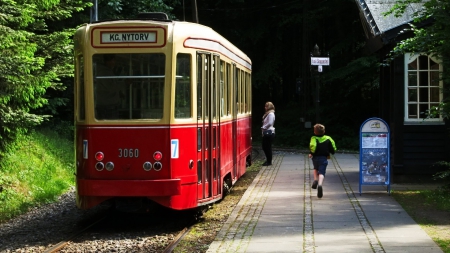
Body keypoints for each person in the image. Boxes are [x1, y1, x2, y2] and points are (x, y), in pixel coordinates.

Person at [308, 123, 337, 198]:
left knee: (315, 168)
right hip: (324, 157)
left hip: (315, 157)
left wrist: (311, 153)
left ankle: (315, 180)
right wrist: (333, 152)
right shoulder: (328, 138)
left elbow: (313, 146)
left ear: (315, 132)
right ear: (324, 131)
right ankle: (320, 184)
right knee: (322, 172)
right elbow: (333, 147)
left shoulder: (313, 138)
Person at [95, 54, 124, 119]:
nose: (114, 63)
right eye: (112, 61)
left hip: (108, 104)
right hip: (107, 106)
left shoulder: (107, 71)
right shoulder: (104, 73)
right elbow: (111, 88)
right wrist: (124, 83)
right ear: (107, 61)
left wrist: (118, 93)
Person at [261, 102, 275, 166]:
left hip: (269, 132)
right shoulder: (268, 114)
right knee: (265, 147)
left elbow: (270, 123)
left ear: (269, 107)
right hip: (266, 132)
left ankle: (269, 161)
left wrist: (264, 127)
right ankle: (268, 160)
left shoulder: (271, 114)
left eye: (266, 106)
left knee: (267, 147)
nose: (265, 107)